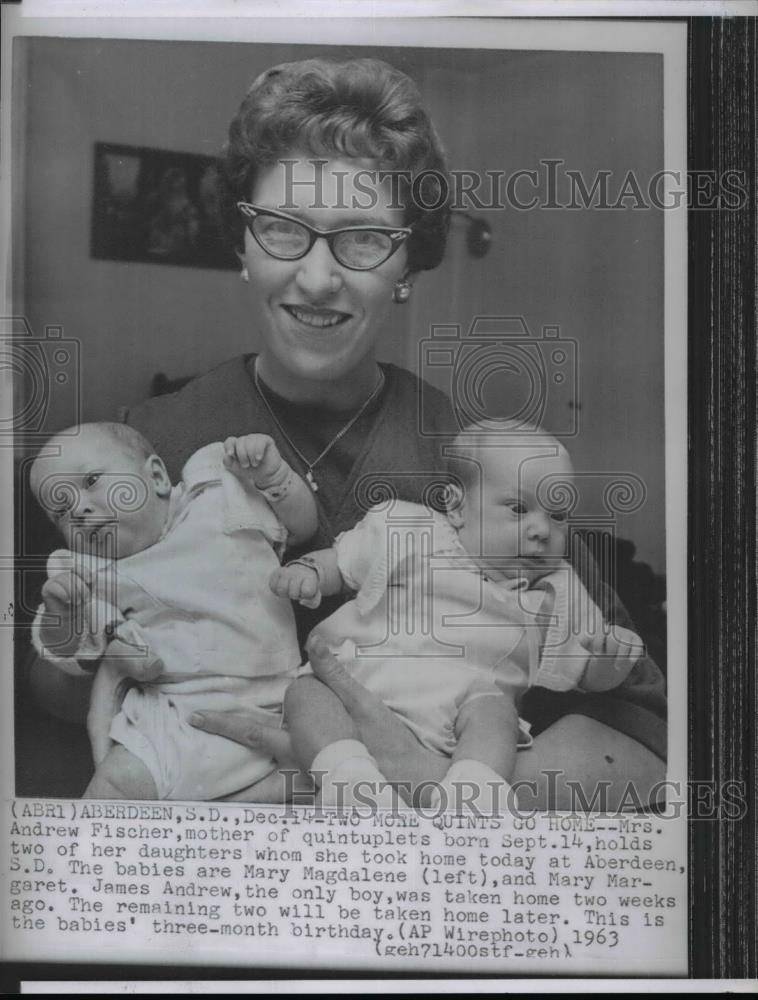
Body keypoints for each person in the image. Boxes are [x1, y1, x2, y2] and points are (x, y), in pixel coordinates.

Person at [35, 56, 666, 808]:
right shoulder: (145, 443)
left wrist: (426, 786)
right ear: (241, 247)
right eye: (282, 231)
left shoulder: (481, 462)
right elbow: (51, 694)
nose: (317, 278)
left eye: (363, 238)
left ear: (408, 262)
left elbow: (644, 739)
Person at [274, 421, 645, 811]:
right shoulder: (412, 533)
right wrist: (311, 573)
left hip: (459, 724)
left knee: (495, 713)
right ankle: (350, 780)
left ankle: (471, 797)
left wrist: (609, 661)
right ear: (456, 506)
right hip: (356, 682)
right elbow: (345, 563)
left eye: (558, 515)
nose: (541, 530)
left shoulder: (555, 590)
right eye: (518, 508)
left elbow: (585, 673)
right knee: (306, 692)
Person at [30, 422, 317, 800]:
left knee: (328, 769)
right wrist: (59, 612)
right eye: (61, 512)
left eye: (92, 481)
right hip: (174, 719)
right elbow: (65, 653)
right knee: (115, 782)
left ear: (157, 476)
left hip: (278, 702)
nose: (79, 510)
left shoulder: (218, 495)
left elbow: (303, 526)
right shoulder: (93, 574)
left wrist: (274, 475)